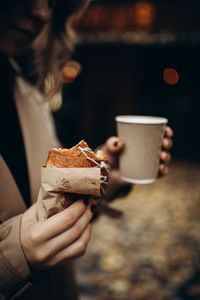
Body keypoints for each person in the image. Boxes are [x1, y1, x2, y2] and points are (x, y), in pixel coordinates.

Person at [0, 0, 173, 299]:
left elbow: (48, 201)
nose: (42, 12)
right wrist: (12, 255)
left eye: (53, 2)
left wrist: (103, 179)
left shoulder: (27, 92)